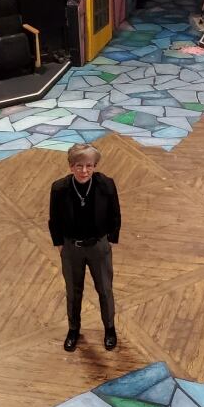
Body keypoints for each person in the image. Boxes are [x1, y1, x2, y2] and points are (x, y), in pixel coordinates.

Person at [49, 143, 121, 352]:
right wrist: (60, 245)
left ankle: (109, 329)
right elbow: (54, 219)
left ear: (95, 166)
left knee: (105, 290)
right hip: (72, 249)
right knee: (73, 291)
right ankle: (73, 330)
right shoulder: (59, 188)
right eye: (79, 166)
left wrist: (111, 240)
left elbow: (115, 213)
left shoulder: (106, 184)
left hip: (99, 246)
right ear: (71, 166)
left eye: (89, 166)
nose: (84, 171)